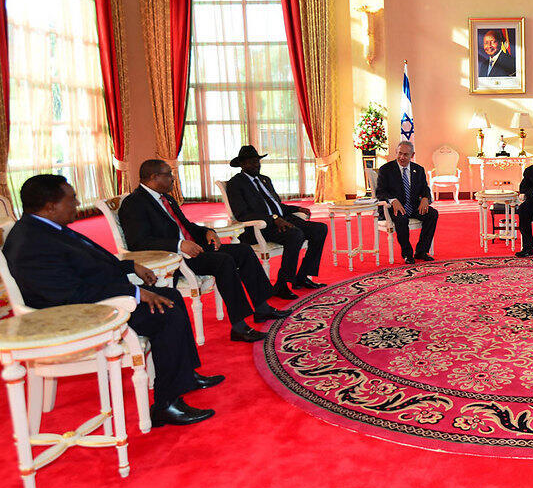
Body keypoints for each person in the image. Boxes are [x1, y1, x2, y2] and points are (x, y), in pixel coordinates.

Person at [3, 175, 222, 427]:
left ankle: (185, 376)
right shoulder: (31, 243)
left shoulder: (46, 227)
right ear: (50, 206)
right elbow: (67, 295)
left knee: (170, 296)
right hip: (78, 317)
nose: (76, 203)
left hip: (94, 296)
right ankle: (166, 405)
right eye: (71, 199)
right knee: (165, 311)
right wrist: (135, 294)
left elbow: (88, 264)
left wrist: (131, 266)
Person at [119, 159, 289, 343]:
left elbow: (186, 225)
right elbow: (138, 243)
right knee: (223, 261)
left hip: (193, 249)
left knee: (244, 251)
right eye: (169, 174)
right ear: (154, 177)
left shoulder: (166, 198)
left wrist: (208, 231)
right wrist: (178, 245)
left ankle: (262, 308)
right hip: (173, 259)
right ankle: (239, 327)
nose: (173, 178)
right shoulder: (134, 203)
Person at [225, 144, 328, 299]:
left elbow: (276, 206)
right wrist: (273, 219)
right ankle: (282, 284)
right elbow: (242, 214)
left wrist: (296, 209)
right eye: (251, 162)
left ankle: (302, 276)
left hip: (281, 220)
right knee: (295, 235)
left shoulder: (265, 180)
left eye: (257, 161)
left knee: (319, 229)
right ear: (242, 164)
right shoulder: (236, 184)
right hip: (260, 227)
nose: (256, 165)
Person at [374, 140, 439, 264]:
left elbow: (425, 188)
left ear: (412, 155)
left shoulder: (418, 170)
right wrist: (393, 200)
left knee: (432, 214)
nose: (402, 157)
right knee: (401, 218)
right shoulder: (386, 169)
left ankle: (421, 251)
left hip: (413, 206)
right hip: (393, 208)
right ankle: (407, 254)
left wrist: (425, 198)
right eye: (399, 153)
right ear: (396, 152)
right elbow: (380, 192)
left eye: (405, 155)